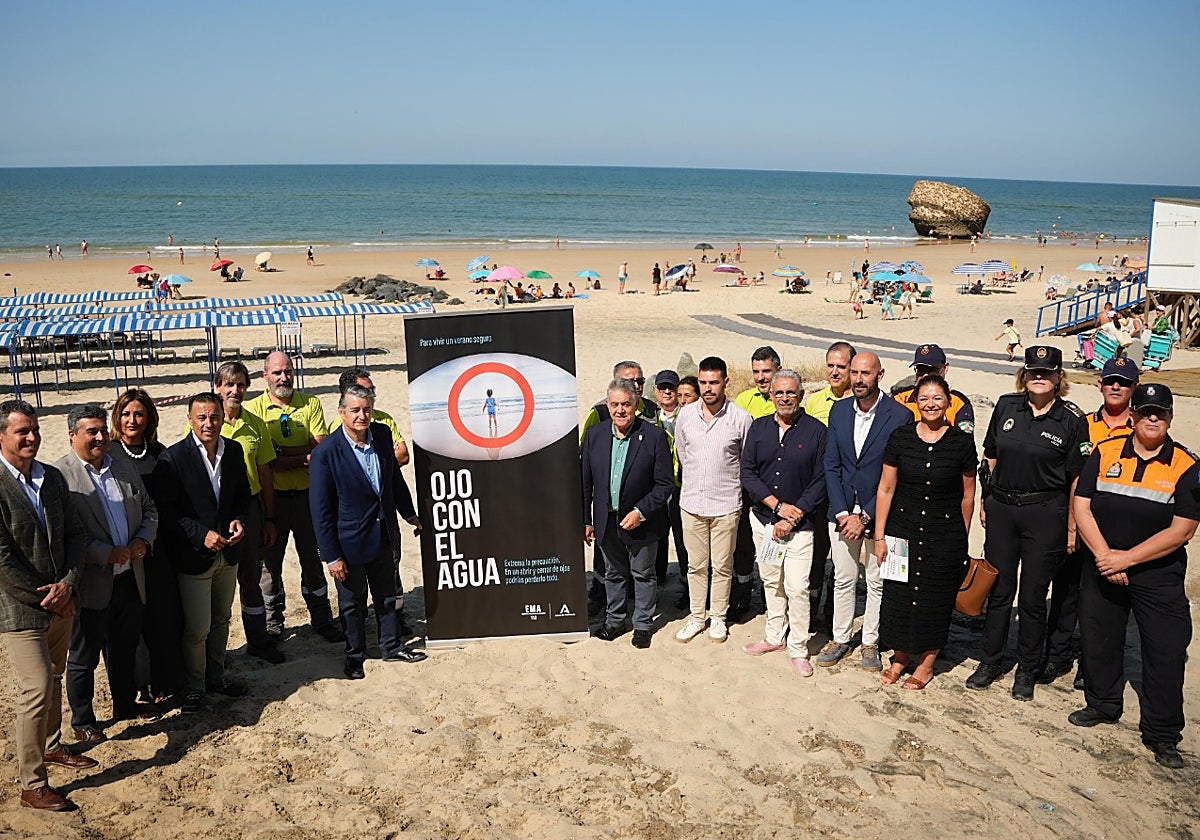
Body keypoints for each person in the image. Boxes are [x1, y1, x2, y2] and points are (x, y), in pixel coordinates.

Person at [1071, 383, 1198, 769]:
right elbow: (1082, 505)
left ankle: (1162, 734)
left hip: (1157, 574)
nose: (1153, 418)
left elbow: (1183, 529)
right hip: (1103, 562)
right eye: (1145, 411)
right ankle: (1103, 704)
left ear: (1171, 417)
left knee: (1165, 651)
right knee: (1099, 638)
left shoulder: (1188, 466)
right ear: (1133, 416)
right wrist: (1106, 556)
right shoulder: (1105, 451)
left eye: (1160, 412)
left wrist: (1127, 560)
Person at [967, 346, 1088, 701]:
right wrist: (986, 500)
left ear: (1058, 377)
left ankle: (1026, 670)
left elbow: (1076, 478)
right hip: (1002, 509)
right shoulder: (1006, 406)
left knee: (1034, 597)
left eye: (1047, 372)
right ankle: (989, 661)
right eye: (1033, 371)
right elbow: (989, 455)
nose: (1039, 377)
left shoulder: (1071, 419)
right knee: (999, 590)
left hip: (1045, 513)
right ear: (1024, 374)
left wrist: (1070, 526)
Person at [0, 400, 94, 811]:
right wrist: (49, 595)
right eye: (22, 431)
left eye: (34, 429)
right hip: (21, 608)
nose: (31, 437)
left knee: (54, 677)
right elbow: (2, 560)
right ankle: (32, 782)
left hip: (61, 599)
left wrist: (69, 585)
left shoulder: (51, 478)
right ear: (1, 436)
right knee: (37, 688)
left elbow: (75, 535)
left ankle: (53, 746)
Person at [57, 405, 158, 745]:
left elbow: (149, 509)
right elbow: (67, 537)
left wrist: (144, 537)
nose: (101, 437)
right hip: (90, 584)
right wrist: (104, 554)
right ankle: (83, 719)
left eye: (102, 430)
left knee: (124, 647)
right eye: (91, 431)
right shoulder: (62, 477)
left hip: (130, 577)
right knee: (83, 657)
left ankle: (125, 704)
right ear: (73, 435)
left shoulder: (122, 464)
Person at [310, 385, 426, 679]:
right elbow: (321, 510)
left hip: (384, 532)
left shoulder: (383, 435)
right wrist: (331, 555)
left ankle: (391, 646)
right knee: (351, 604)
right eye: (355, 410)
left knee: (386, 595)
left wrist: (409, 513)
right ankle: (354, 655)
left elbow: (393, 481)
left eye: (366, 409)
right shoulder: (326, 452)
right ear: (341, 413)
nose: (362, 416)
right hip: (348, 542)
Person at [873, 376, 977, 690]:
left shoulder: (961, 442)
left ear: (947, 402)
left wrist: (962, 535)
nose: (930, 404)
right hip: (901, 530)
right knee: (899, 596)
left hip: (944, 534)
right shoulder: (901, 437)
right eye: (924, 398)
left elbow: (968, 494)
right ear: (916, 402)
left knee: (935, 598)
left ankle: (928, 662)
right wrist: (879, 536)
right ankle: (901, 656)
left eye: (937, 398)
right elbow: (886, 488)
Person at [1041, 357, 1140, 690]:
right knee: (1066, 591)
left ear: (1134, 388)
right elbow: (1071, 476)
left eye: (1123, 382)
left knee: (1106, 598)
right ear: (1099, 384)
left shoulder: (1141, 427)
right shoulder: (1082, 423)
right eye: (1110, 380)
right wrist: (1071, 525)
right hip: (1078, 517)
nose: (1116, 387)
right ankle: (1057, 653)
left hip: (1118, 525)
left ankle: (1092, 661)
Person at [152, 394, 252, 714]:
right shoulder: (173, 458)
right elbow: (165, 512)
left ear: (224, 417)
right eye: (202, 418)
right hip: (194, 556)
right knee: (197, 627)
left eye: (214, 417)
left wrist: (239, 520)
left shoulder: (233, 451)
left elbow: (242, 496)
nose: (208, 424)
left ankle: (216, 677)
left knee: (222, 619)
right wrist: (200, 535)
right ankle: (194, 687)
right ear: (190, 420)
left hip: (229, 555)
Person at [820, 352, 910, 672]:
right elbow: (831, 464)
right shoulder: (839, 410)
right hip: (842, 513)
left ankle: (870, 641)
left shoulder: (899, 416)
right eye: (854, 373)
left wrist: (866, 516)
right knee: (843, 578)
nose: (858, 379)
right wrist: (843, 512)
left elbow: (899, 473)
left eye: (865, 373)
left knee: (877, 580)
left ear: (880, 374)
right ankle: (840, 637)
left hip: (881, 514)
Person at [244, 352, 341, 642]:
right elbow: (267, 461)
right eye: (276, 373)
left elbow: (320, 451)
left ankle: (322, 619)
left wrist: (279, 454)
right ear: (265, 376)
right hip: (271, 500)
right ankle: (274, 623)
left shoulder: (310, 404)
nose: (283, 377)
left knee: (312, 559)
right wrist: (300, 454)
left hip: (308, 497)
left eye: (287, 371)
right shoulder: (254, 410)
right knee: (270, 564)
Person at [739, 369, 827, 676]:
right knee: (771, 580)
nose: (785, 398)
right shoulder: (760, 428)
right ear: (771, 396)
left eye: (791, 392)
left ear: (801, 395)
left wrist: (794, 514)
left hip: (800, 527)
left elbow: (820, 479)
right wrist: (776, 507)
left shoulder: (816, 432)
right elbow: (747, 472)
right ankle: (774, 636)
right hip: (764, 522)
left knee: (797, 587)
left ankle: (799, 646)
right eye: (779, 393)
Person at [581, 379, 674, 649]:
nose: (620, 410)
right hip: (606, 519)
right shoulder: (595, 435)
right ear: (607, 406)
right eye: (614, 404)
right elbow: (585, 482)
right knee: (613, 573)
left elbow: (664, 483)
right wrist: (586, 519)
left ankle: (643, 624)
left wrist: (641, 512)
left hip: (640, 520)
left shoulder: (654, 437)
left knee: (643, 573)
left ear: (636, 404)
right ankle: (615, 620)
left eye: (626, 404)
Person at [673, 356, 753, 644]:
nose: (708, 389)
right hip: (692, 502)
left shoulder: (741, 418)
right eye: (703, 383)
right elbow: (683, 453)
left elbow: (745, 461)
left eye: (713, 383)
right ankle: (697, 617)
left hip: (726, 504)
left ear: (725, 382)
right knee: (695, 565)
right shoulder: (685, 416)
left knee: (721, 566)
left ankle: (718, 617)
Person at [107, 390, 179, 702]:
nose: (132, 420)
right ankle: (136, 687)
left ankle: (163, 681)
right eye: (126, 414)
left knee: (160, 618)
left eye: (139, 414)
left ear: (149, 417)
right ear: (117, 418)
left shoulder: (160, 452)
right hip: (122, 553)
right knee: (128, 626)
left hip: (156, 549)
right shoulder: (107, 454)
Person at [211, 362, 283, 665]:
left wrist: (268, 518)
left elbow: (265, 473)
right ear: (217, 387)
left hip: (250, 508)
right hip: (216, 511)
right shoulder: (205, 421)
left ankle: (258, 639)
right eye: (229, 385)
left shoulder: (255, 424)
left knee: (250, 578)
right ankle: (215, 650)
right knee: (217, 582)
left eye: (240, 384)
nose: (235, 390)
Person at [802, 342, 855, 632]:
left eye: (841, 367)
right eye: (830, 366)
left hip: (847, 494)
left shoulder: (860, 403)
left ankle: (835, 613)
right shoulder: (815, 401)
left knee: (843, 560)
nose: (835, 372)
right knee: (816, 554)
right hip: (818, 494)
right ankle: (811, 610)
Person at [730, 346, 783, 620]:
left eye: (766, 371)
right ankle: (741, 599)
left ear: (777, 369)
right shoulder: (743, 399)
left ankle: (769, 598)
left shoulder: (787, 399)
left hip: (778, 488)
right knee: (743, 548)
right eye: (756, 372)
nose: (761, 377)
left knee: (772, 547)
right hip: (748, 485)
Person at [653, 370, 687, 591]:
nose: (667, 392)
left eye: (671, 388)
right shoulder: (649, 418)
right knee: (657, 535)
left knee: (683, 537)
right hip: (655, 486)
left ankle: (686, 582)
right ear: (655, 390)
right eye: (662, 387)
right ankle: (659, 577)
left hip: (681, 487)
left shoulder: (687, 415)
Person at [891, 344, 976, 434]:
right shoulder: (899, 398)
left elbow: (964, 440)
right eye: (921, 370)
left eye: (931, 370)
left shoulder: (958, 403)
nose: (926, 376)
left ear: (945, 368)